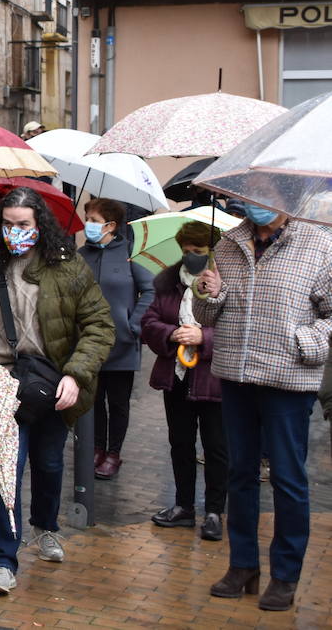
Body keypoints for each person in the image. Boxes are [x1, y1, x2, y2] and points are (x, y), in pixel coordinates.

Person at [0, 186, 115, 595]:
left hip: (51, 383)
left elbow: (100, 326)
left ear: (40, 225)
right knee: (5, 470)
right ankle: (2, 561)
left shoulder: (68, 267)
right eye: (7, 224)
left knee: (49, 463)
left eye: (23, 225)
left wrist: (75, 374)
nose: (14, 232)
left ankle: (45, 526)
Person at [194, 202, 332, 611]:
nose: (252, 203)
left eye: (263, 194)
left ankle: (285, 575)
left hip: (289, 380)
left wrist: (303, 343)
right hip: (236, 374)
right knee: (240, 474)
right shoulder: (230, 242)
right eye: (247, 194)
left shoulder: (318, 244)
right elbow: (206, 314)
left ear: (284, 198)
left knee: (288, 479)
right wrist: (208, 295)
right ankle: (243, 566)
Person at [141, 220, 226, 542]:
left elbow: (237, 329)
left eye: (199, 251)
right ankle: (184, 505)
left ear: (212, 252)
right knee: (180, 443)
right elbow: (149, 321)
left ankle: (215, 510)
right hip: (176, 376)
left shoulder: (227, 283)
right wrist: (172, 333)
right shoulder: (168, 283)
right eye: (187, 251)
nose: (191, 256)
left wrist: (203, 336)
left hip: (214, 379)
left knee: (217, 447)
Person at [79, 198, 155, 480]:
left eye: (95, 220)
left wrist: (134, 325)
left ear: (111, 225)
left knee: (118, 402)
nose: (89, 224)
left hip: (122, 343)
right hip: (89, 343)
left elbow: (149, 291)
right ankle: (97, 447)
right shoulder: (81, 254)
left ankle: (114, 452)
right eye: (88, 218)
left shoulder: (130, 253)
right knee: (94, 400)